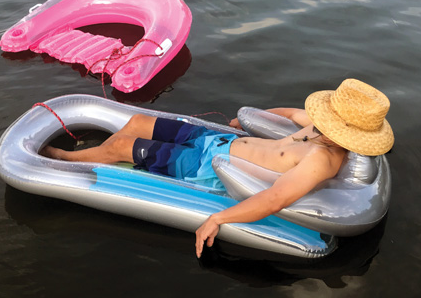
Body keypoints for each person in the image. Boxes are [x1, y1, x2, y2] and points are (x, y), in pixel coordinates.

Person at [41, 78, 393, 257]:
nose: (319, 117)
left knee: (122, 145)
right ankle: (100, 153)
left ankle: (67, 160)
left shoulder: (322, 160)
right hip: (215, 139)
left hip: (207, 165)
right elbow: (288, 114)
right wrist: (246, 123)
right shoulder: (318, 129)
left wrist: (217, 219)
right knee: (135, 122)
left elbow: (275, 198)